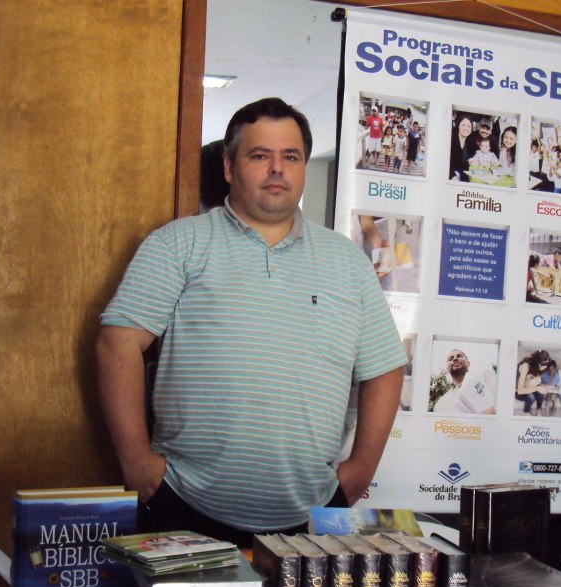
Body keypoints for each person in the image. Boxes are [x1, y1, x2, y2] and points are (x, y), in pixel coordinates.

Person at [97, 97, 407, 547]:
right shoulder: (179, 244)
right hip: (182, 504)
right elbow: (117, 344)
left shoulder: (347, 261)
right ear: (229, 167)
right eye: (260, 156)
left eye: (291, 157)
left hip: (310, 516)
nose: (277, 169)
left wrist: (360, 472)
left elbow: (385, 367)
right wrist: (136, 463)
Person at [433, 349, 497, 415]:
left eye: (459, 356)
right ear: (447, 369)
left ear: (468, 363)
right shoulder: (439, 405)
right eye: (451, 359)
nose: (455, 358)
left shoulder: (485, 376)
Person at [515, 349, 555, 416]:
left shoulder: (540, 368)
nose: (545, 368)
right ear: (538, 364)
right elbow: (520, 391)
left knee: (542, 393)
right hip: (518, 391)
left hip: (529, 387)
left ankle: (539, 410)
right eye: (545, 366)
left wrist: (546, 387)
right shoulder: (525, 366)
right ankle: (525, 412)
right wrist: (537, 388)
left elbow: (536, 382)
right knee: (531, 397)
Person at [449, 114, 473, 181]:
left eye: (468, 126)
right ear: (458, 126)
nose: (466, 128)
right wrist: (453, 176)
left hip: (462, 175)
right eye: (463, 125)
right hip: (449, 174)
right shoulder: (451, 139)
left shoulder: (470, 143)